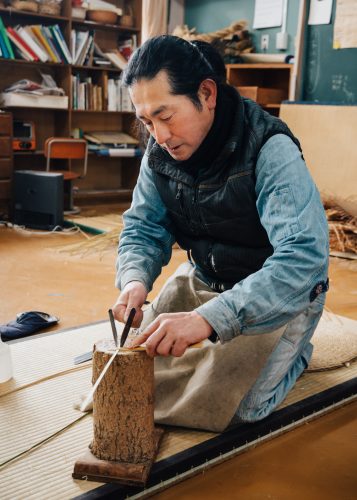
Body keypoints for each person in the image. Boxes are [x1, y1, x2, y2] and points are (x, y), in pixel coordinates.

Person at [112, 35, 329, 432]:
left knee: (232, 409)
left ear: (206, 94)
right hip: (207, 280)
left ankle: (296, 346)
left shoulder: (269, 147)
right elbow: (143, 225)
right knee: (130, 376)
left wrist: (210, 318)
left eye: (166, 116)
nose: (158, 136)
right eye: (146, 122)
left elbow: (303, 260)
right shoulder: (161, 150)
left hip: (273, 295)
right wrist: (134, 279)